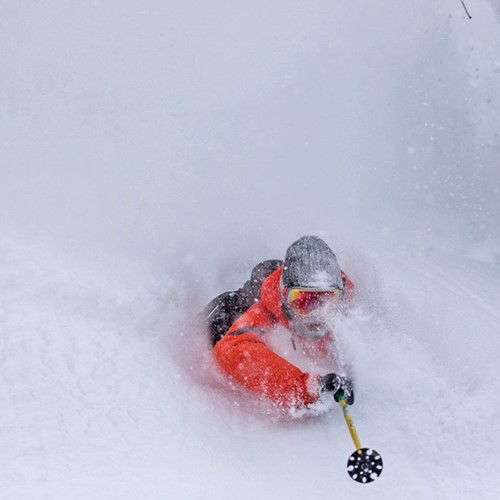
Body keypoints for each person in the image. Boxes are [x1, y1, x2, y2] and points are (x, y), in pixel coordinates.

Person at [203, 236, 355, 412]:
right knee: (222, 322)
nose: (315, 315)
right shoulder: (267, 308)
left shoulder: (347, 300)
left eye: (325, 300)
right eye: (303, 301)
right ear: (284, 295)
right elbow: (232, 350)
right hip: (240, 311)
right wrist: (309, 389)